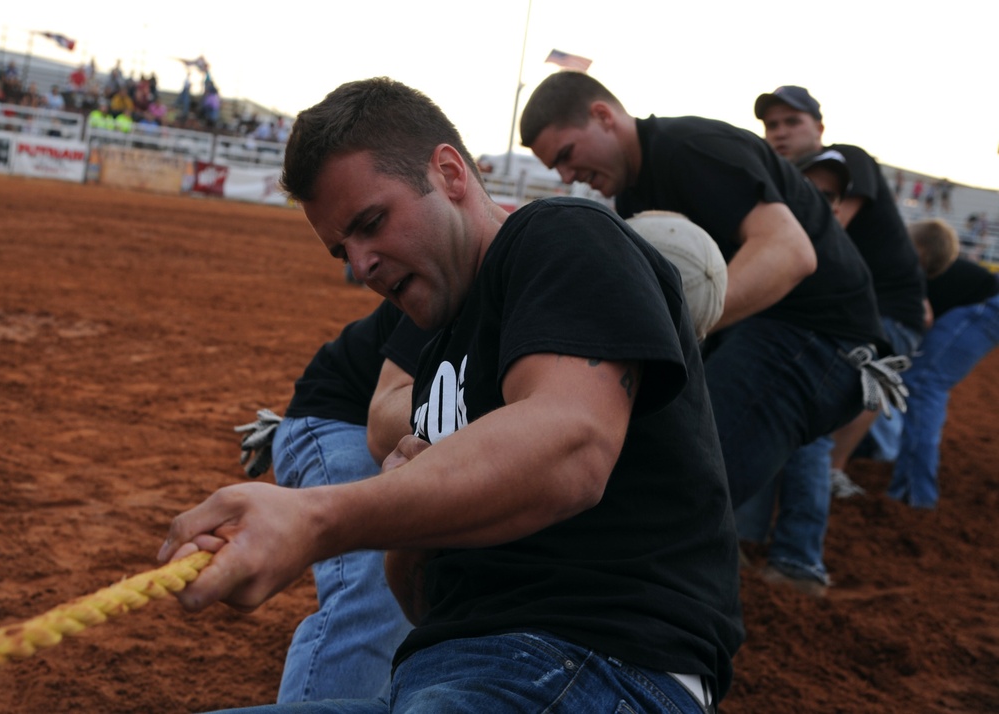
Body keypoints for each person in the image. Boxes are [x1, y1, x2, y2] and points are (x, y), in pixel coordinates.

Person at [159, 77, 744, 713]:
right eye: (342, 251)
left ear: (449, 173)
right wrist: (412, 521)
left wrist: (315, 517)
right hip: (456, 675)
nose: (360, 266)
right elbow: (422, 598)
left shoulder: (564, 234)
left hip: (600, 665)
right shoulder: (438, 349)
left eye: (371, 223)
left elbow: (571, 449)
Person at [520, 72, 898, 515]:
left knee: (682, 491)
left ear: (603, 117)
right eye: (556, 168)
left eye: (566, 155)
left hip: (823, 337)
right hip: (767, 331)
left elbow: (790, 252)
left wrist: (673, 331)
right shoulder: (635, 196)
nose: (568, 176)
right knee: (659, 447)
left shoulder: (690, 148)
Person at [732, 86, 926, 592]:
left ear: (819, 126)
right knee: (773, 406)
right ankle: (747, 544)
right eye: (771, 125)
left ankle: (799, 563)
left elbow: (823, 233)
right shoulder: (784, 181)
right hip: (842, 320)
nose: (779, 132)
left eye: (791, 121)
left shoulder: (847, 161)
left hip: (880, 320)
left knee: (805, 422)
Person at [238, 300, 432, 702]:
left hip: (422, 442)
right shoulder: (493, 266)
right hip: (342, 420)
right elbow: (385, 421)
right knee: (376, 582)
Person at [888, 219, 999, 508]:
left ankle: (915, 493)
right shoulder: (907, 261)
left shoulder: (901, 263)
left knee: (923, 385)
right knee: (918, 381)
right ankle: (906, 479)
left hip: (986, 305)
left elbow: (922, 318)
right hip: (984, 304)